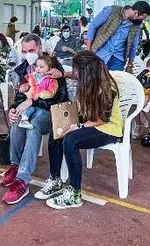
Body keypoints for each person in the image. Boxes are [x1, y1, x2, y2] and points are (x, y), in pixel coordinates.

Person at [37, 51, 122, 210]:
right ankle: (55, 179)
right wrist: (61, 74)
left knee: (71, 140)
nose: (74, 73)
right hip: (89, 119)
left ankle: (75, 193)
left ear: (85, 71)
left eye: (76, 69)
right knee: (58, 131)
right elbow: (73, 75)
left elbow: (102, 119)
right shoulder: (89, 77)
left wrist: (79, 126)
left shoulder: (106, 88)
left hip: (107, 127)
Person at [1, 34, 66, 204]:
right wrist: (15, 108)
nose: (28, 54)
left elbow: (60, 97)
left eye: (31, 50)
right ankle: (15, 166)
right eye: (24, 51)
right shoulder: (23, 69)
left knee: (33, 124)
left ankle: (22, 180)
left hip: (50, 112)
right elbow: (20, 96)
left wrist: (34, 100)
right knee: (16, 121)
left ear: (39, 47)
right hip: (30, 109)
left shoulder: (52, 66)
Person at [86, 1, 150, 71]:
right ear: (135, 12)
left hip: (118, 60)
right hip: (99, 53)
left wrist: (130, 64)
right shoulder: (111, 11)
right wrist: (88, 49)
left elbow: (134, 44)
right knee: (95, 78)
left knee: (115, 81)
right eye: (141, 18)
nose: (141, 20)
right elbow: (93, 26)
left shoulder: (137, 25)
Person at [17, 54, 60, 129]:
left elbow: (51, 93)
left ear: (50, 68)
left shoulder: (51, 80)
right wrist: (25, 87)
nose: (37, 69)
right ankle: (24, 119)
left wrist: (40, 94)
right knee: (22, 118)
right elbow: (29, 85)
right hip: (30, 101)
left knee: (35, 120)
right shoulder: (33, 77)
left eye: (41, 67)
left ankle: (25, 119)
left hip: (42, 106)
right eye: (36, 66)